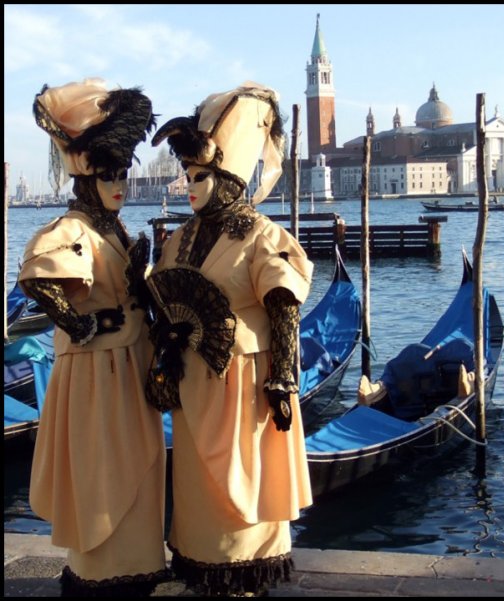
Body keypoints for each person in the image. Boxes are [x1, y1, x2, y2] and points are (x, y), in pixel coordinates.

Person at [146, 82, 314, 597]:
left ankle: (244, 581)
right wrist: (163, 360)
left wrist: (283, 379)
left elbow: (284, 303)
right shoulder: (182, 237)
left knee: (245, 487)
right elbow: (169, 304)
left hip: (245, 388)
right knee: (198, 496)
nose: (190, 186)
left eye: (201, 177)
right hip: (196, 385)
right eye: (188, 176)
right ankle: (203, 573)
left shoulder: (263, 235)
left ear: (227, 178)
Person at [18, 78, 169, 596]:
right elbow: (37, 276)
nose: (119, 186)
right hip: (98, 376)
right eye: (107, 177)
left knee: (140, 469)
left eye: (122, 175)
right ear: (87, 179)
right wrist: (78, 322)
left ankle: (138, 565)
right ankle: (103, 573)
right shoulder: (76, 227)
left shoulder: (114, 230)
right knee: (104, 470)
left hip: (129, 370)